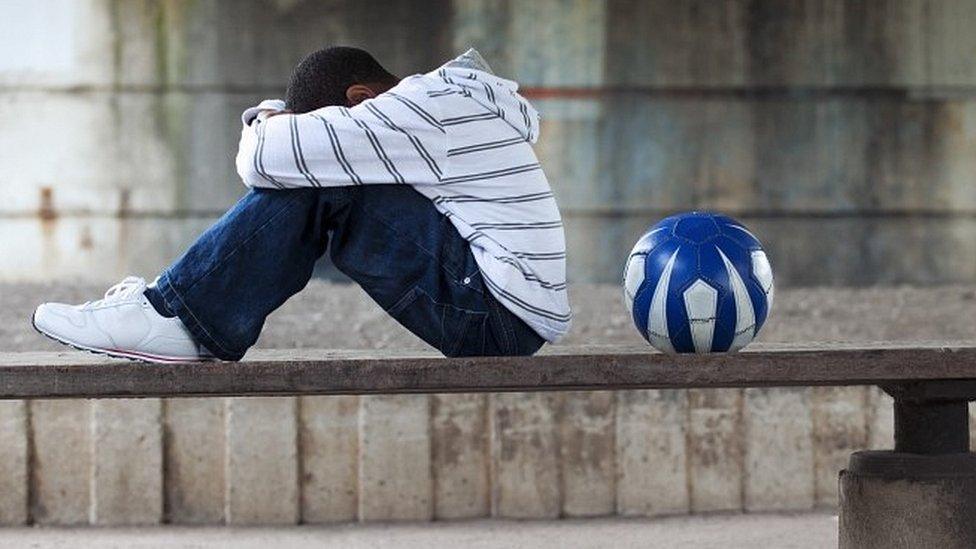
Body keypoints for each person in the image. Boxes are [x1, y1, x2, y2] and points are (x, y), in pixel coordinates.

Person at [31, 47, 571, 363]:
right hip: (502, 310)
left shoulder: (419, 110)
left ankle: (181, 317)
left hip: (494, 315)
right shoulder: (444, 103)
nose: (344, 135)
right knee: (325, 171)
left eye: (336, 123)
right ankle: (175, 313)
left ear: (359, 100)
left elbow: (263, 158)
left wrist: (272, 118)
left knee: (326, 181)